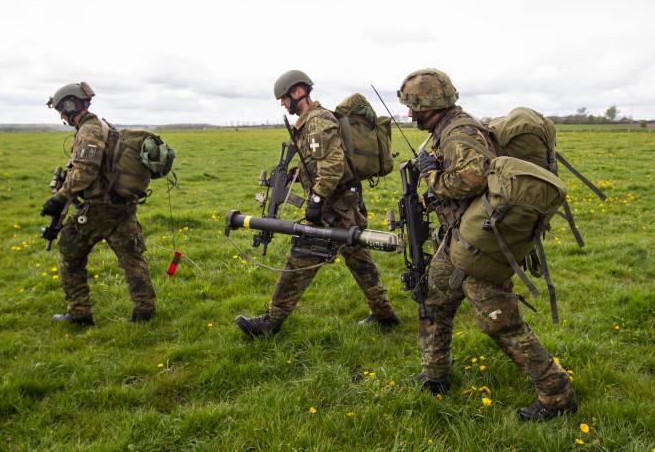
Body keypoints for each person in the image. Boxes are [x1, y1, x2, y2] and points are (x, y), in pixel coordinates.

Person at [396, 68, 577, 420]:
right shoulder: (447, 129)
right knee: (435, 300)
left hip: (480, 242)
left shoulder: (458, 134)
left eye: (412, 106)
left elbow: (471, 179)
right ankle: (435, 376)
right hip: (460, 237)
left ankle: (558, 395)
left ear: (427, 104)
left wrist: (431, 174)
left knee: (501, 322)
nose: (408, 113)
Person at [235, 70, 399, 336]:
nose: (282, 104)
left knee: (300, 258)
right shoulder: (310, 122)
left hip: (332, 207)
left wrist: (316, 198)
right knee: (359, 259)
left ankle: (270, 322)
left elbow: (333, 166)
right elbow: (319, 160)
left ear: (298, 92)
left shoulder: (318, 121)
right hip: (346, 203)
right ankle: (384, 313)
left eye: (284, 98)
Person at [41, 82, 156, 326]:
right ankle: (145, 311)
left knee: (69, 251)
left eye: (62, 110)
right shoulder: (104, 126)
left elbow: (85, 171)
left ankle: (80, 313)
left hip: (101, 208)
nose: (62, 116)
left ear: (70, 105)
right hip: (122, 205)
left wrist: (60, 197)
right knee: (132, 258)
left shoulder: (89, 131)